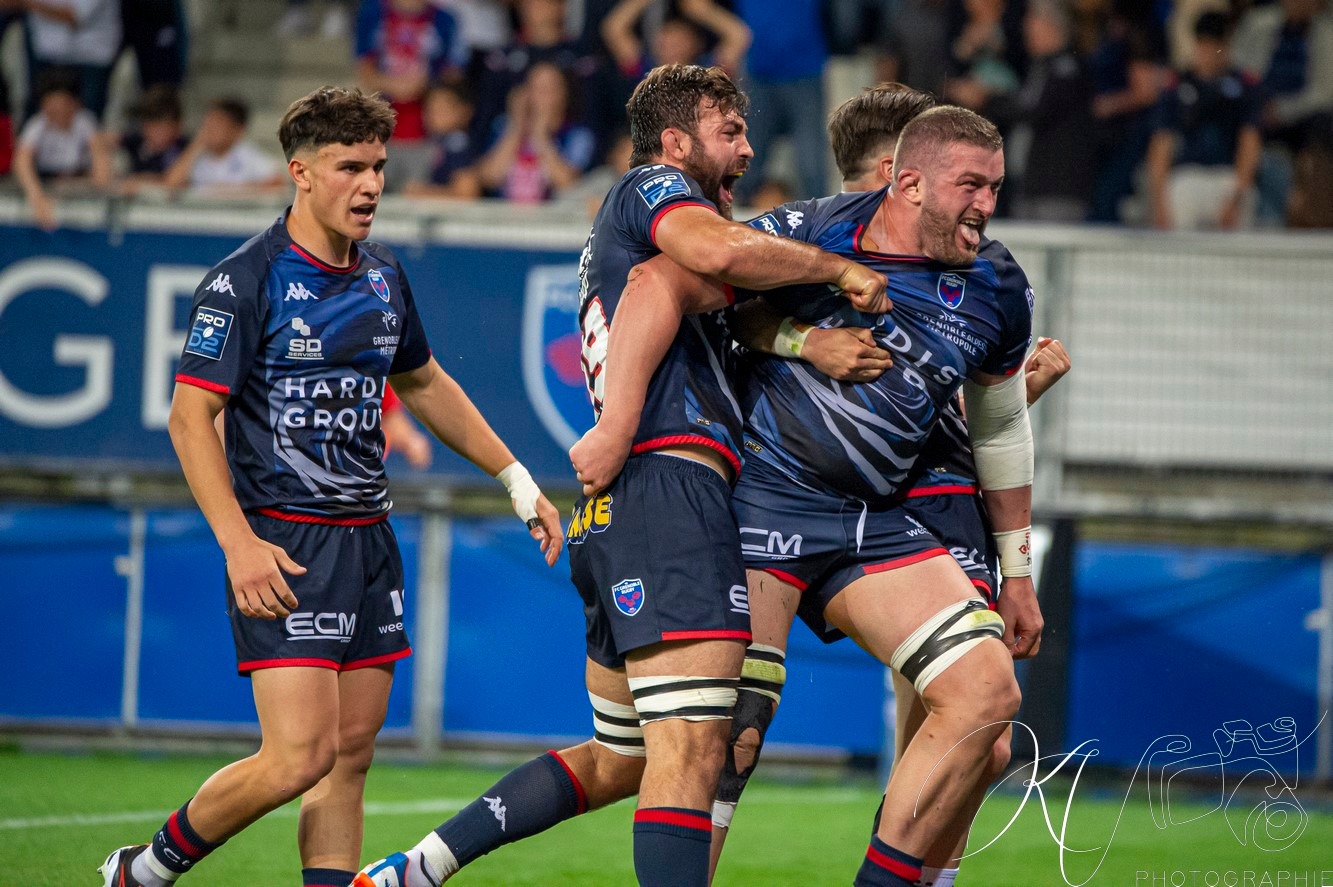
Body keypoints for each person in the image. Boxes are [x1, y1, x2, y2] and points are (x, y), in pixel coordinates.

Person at [354, 62, 887, 887]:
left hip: (629, 505)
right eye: (729, 131)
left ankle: (416, 868)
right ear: (674, 141)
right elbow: (680, 268)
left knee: (624, 755)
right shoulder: (652, 189)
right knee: (692, 747)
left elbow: (725, 301)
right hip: (668, 487)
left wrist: (806, 340)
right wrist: (835, 268)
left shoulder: (674, 223)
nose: (746, 148)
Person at [97, 85, 564, 887]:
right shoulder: (246, 279)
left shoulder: (383, 276)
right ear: (301, 173)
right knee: (297, 756)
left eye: (379, 166)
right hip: (285, 540)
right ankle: (144, 870)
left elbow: (424, 384)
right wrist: (238, 542)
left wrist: (515, 477)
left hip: (370, 542)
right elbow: (188, 420)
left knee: (347, 759)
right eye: (350, 166)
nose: (371, 185)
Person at [574, 100, 1045, 886]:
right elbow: (693, 298)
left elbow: (996, 432)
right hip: (765, 503)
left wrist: (1017, 570)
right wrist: (805, 338)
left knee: (987, 698)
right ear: (908, 184)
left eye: (995, 188)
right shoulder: (813, 229)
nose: (986, 207)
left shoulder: (998, 285)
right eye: (971, 186)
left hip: (877, 518)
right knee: (728, 732)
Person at [1146, 11, 1263, 230]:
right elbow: (1161, 143)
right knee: (1180, 197)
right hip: (1187, 178)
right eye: (1203, 45)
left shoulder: (1245, 86)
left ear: (1226, 45)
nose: (1208, 53)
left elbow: (1250, 143)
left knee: (1243, 212)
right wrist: (1159, 203)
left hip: (1229, 178)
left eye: (1215, 45)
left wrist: (1236, 197)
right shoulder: (1178, 85)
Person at [475, 61, 597, 202]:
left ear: (564, 93)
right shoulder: (504, 126)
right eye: (535, 88)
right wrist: (516, 127)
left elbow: (567, 183)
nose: (541, 95)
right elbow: (489, 177)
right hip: (505, 217)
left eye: (549, 89)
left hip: (553, 218)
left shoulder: (577, 135)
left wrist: (540, 136)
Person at [13, 66, 111, 231]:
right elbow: (21, 162)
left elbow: (102, 172)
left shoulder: (85, 123)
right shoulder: (37, 125)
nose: (55, 114)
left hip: (79, 187)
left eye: (61, 108)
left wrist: (75, 186)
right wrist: (37, 197)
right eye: (50, 108)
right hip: (44, 183)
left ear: (74, 105)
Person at [162, 97, 286, 194]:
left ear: (237, 130)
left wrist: (227, 192)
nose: (210, 128)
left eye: (217, 124)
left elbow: (276, 184)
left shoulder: (247, 154)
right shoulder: (198, 156)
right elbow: (170, 185)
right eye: (208, 122)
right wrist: (197, 144)